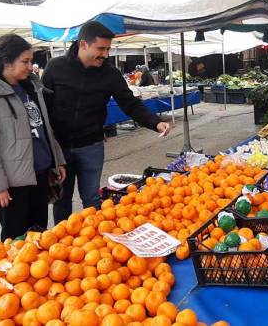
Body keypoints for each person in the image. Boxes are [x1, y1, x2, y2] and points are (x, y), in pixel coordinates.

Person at [42, 21, 171, 223]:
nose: (105, 54)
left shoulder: (110, 73)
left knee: (92, 199)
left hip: (91, 146)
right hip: (60, 149)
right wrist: (47, 148)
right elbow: (44, 109)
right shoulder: (55, 68)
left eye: (108, 49)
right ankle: (62, 246)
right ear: (83, 44)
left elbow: (130, 104)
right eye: (101, 48)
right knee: (61, 200)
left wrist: (155, 122)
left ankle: (92, 241)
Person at [0, 34, 67, 240]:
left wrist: (57, 161)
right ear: (6, 62)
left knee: (39, 235)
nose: (30, 66)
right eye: (25, 61)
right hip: (14, 184)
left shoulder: (30, 87)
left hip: (39, 175)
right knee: (15, 241)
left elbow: (44, 128)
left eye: (31, 61)